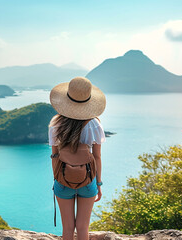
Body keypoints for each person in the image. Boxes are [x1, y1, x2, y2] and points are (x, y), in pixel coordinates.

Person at [48, 76, 106, 240]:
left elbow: (54, 156)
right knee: (82, 228)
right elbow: (97, 157)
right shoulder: (94, 124)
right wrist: (99, 184)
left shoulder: (55, 124)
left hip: (63, 180)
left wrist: (58, 179)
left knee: (67, 229)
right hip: (88, 180)